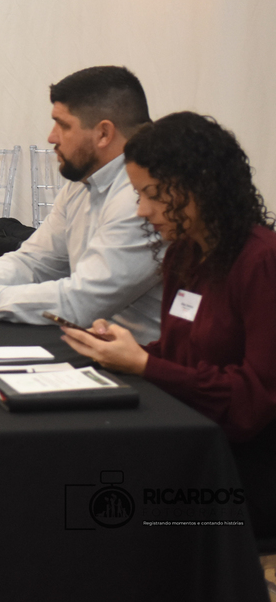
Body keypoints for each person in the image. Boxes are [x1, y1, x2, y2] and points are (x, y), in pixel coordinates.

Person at [59, 112, 276, 536]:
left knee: (100, 512)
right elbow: (182, 358)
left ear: (201, 186)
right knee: (76, 480)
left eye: (153, 195)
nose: (142, 211)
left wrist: (144, 364)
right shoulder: (184, 255)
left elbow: (252, 402)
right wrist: (125, 351)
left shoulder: (261, 263)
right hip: (192, 442)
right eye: (139, 195)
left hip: (246, 469)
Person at [0, 65, 163, 343]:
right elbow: (34, 262)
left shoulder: (142, 198)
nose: (52, 137)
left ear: (103, 134)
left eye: (63, 125)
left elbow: (82, 301)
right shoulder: (82, 183)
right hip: (90, 344)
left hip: (139, 359)